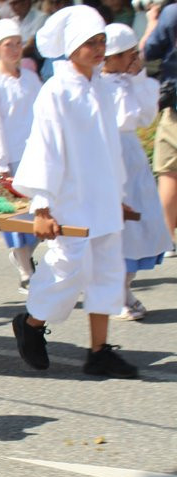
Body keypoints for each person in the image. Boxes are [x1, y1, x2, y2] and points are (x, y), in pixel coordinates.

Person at [11, 5, 137, 379]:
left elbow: (108, 147)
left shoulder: (100, 85)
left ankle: (99, 350)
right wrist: (42, 206)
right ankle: (31, 324)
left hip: (102, 199)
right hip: (70, 198)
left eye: (102, 42)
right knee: (67, 270)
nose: (99, 49)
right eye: (90, 43)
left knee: (107, 272)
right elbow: (44, 147)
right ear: (71, 47)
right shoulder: (56, 90)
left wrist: (117, 194)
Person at [102, 23, 172, 321]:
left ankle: (125, 289)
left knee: (139, 224)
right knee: (117, 229)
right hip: (109, 157)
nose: (133, 60)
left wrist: (138, 78)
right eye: (128, 55)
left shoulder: (131, 81)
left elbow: (145, 115)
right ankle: (116, 294)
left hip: (131, 157)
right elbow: (121, 117)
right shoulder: (98, 84)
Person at [0, 18, 43, 292]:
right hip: (12, 157)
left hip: (36, 154)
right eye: (8, 44)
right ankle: (26, 268)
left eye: (18, 43)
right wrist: (0, 163)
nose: (15, 49)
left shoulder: (30, 78)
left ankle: (24, 255)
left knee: (43, 210)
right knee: (18, 216)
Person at [141, 2, 177, 257]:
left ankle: (166, 238)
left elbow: (148, 51)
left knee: (170, 171)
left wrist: (152, 21)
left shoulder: (172, 12)